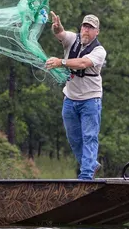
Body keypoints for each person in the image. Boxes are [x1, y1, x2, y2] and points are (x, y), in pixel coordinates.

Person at [44, 13, 106, 180]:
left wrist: (60, 62)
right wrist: (56, 26)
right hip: (70, 99)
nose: (86, 30)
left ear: (97, 32)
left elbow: (83, 63)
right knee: (74, 139)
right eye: (85, 26)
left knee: (89, 137)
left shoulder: (99, 51)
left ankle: (86, 176)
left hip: (90, 100)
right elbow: (61, 34)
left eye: (90, 28)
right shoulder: (73, 39)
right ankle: (91, 165)